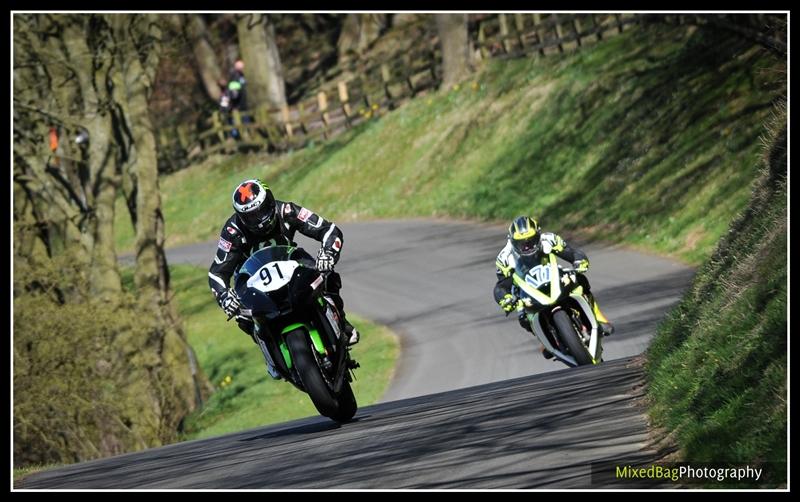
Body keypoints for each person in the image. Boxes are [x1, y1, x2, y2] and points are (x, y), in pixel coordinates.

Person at [208, 179, 359, 379]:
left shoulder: (286, 211)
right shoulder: (232, 231)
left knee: (327, 275)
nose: (259, 219)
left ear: (270, 202)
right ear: (241, 217)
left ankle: (342, 324)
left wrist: (327, 254)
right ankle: (270, 356)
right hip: (253, 281)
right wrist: (224, 297)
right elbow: (216, 273)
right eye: (251, 216)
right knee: (243, 316)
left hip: (292, 264)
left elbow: (329, 230)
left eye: (261, 211)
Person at [493, 216, 614, 359]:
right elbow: (501, 286)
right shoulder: (505, 258)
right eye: (521, 244)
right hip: (528, 289)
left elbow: (571, 252)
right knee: (523, 318)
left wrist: (579, 260)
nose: (527, 247)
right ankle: (543, 339)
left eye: (531, 241)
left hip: (554, 276)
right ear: (512, 242)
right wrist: (505, 298)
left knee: (580, 280)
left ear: (538, 235)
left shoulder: (549, 239)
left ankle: (599, 317)